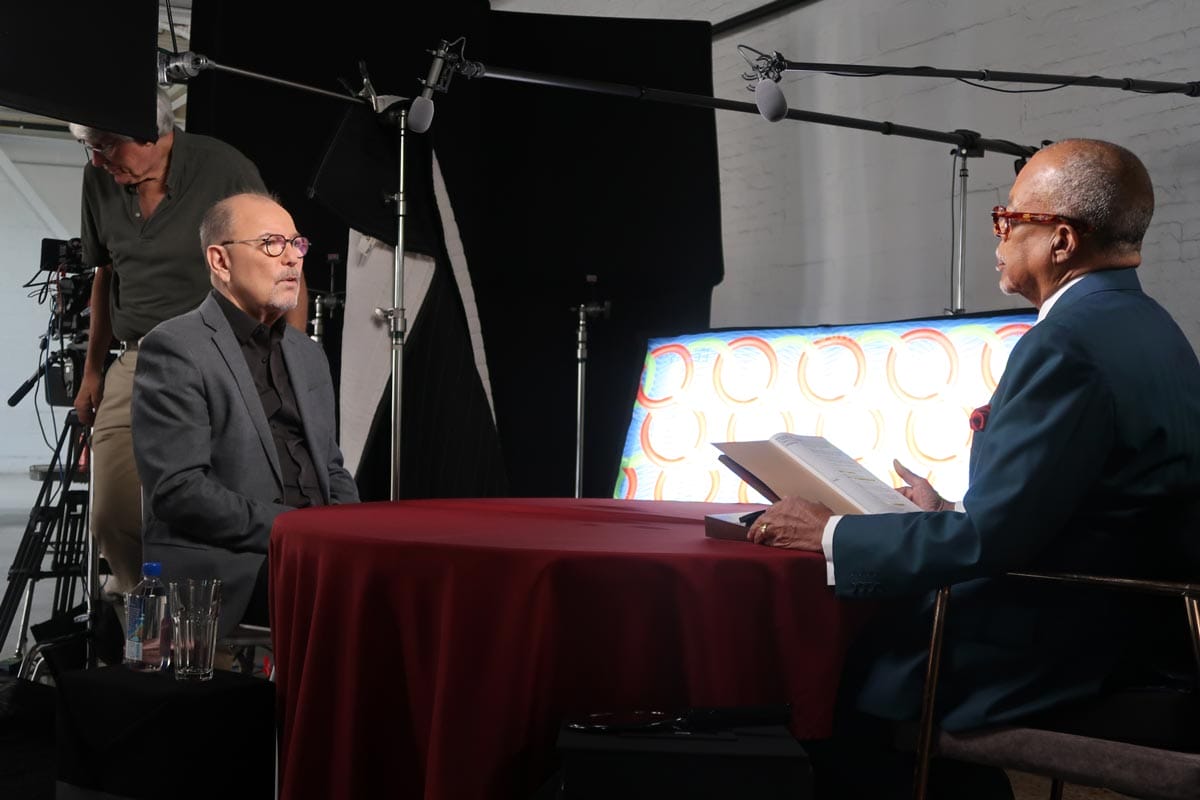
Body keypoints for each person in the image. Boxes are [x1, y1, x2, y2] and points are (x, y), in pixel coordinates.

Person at [749, 139, 1200, 797]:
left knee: (829, 684)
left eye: (1009, 219)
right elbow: (1086, 504)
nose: (999, 233)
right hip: (1137, 625)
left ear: (1062, 240)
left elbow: (994, 542)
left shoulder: (1065, 347)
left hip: (1064, 643)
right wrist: (948, 512)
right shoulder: (1153, 327)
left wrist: (828, 533)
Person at [70, 87, 309, 597]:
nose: (96, 158)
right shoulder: (99, 179)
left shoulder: (223, 167)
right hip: (137, 357)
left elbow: (284, 259)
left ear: (149, 134)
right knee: (114, 515)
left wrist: (290, 360)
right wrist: (93, 371)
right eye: (89, 146)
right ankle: (155, 624)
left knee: (212, 507)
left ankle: (204, 642)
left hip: (220, 357)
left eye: (105, 144)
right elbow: (105, 273)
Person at [130, 192, 358, 638]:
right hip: (233, 563)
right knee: (361, 605)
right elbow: (179, 490)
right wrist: (296, 531)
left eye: (297, 244)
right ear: (220, 261)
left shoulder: (308, 355)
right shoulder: (175, 348)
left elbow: (331, 469)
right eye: (273, 243)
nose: (292, 258)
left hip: (318, 551)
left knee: (418, 583)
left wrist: (356, 532)